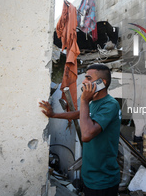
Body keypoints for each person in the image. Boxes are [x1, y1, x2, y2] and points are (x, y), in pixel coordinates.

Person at [39, 64, 121, 196]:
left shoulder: (110, 104)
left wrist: (83, 100)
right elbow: (78, 114)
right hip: (90, 176)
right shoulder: (94, 102)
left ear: (102, 83)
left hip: (103, 180)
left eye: (88, 78)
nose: (83, 81)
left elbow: (86, 135)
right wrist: (53, 115)